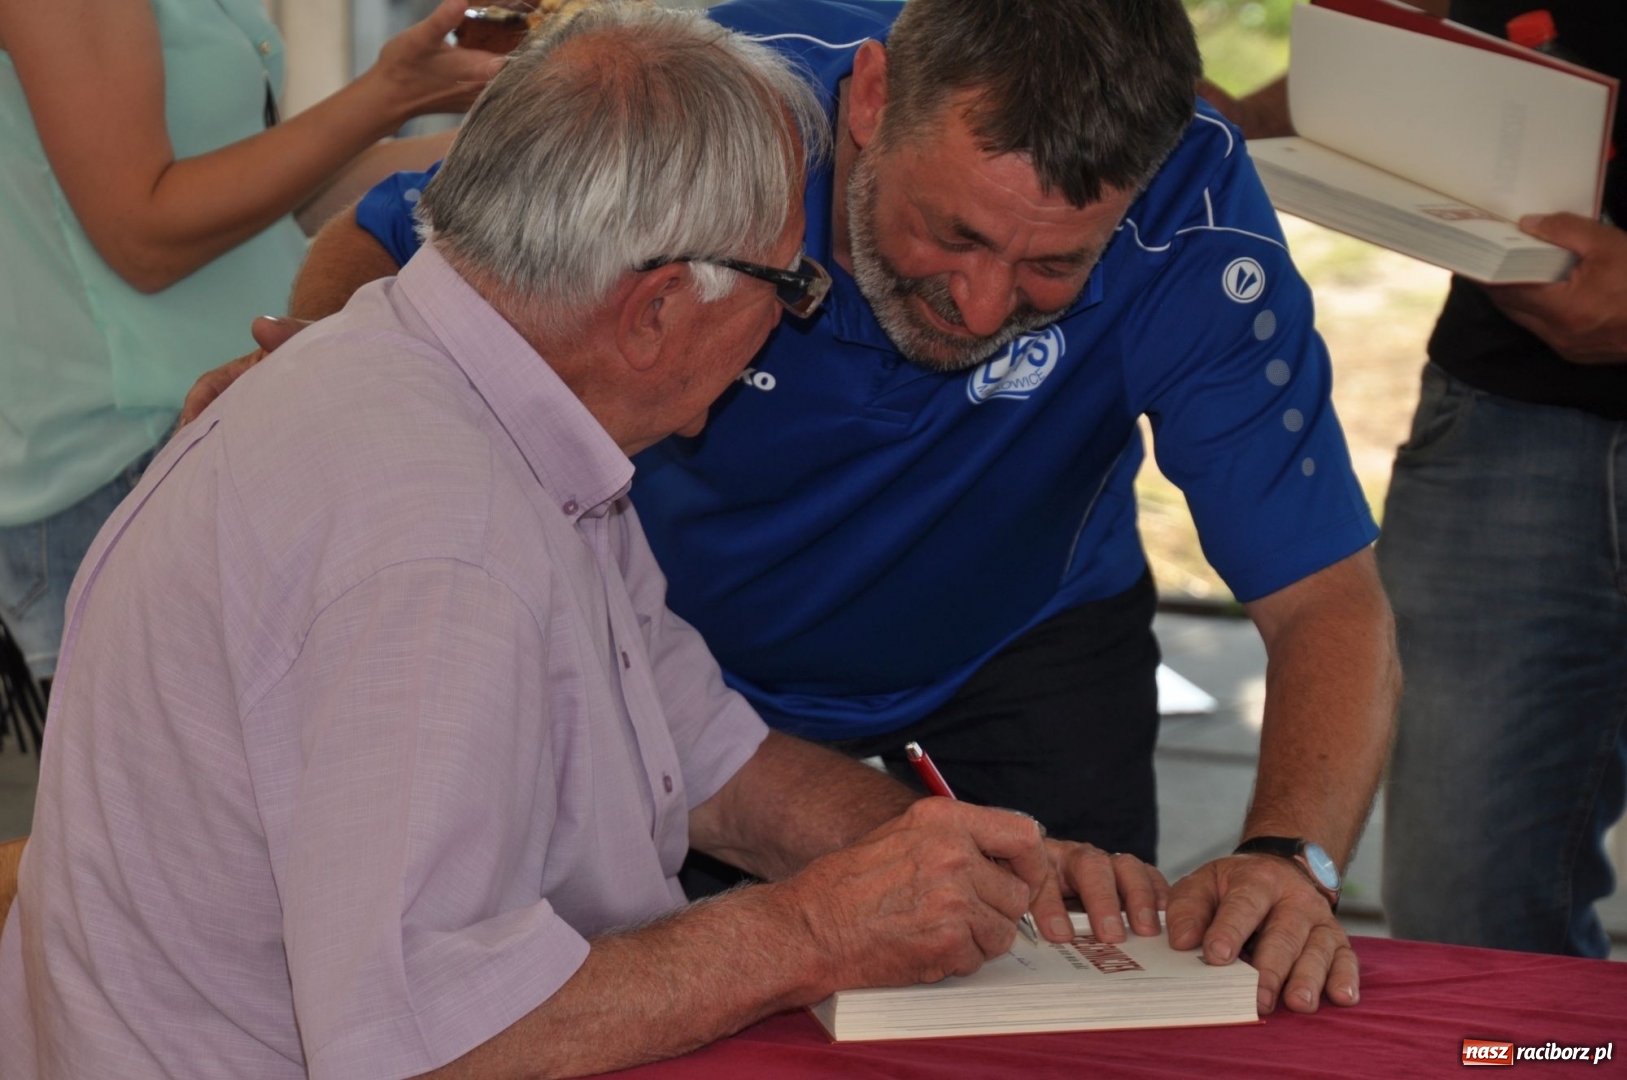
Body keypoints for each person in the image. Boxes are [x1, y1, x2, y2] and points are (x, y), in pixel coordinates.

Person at [0, 9, 1169, 1078]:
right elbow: (429, 1044)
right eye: (790, 278)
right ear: (657, 308)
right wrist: (813, 930)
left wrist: (972, 865)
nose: (806, 305)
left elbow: (698, 752)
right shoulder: (435, 543)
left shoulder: (482, 395)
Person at [187, 0, 1400, 1014]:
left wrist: (1289, 855)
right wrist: (334, 386)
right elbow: (397, 239)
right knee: (638, 1007)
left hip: (1018, 644)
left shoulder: (1194, 219)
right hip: (677, 653)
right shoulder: (713, 102)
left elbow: (1325, 601)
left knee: (1055, 1015)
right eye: (949, 232)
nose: (981, 310)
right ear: (869, 102)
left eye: (1051, 269)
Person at [1203, 1, 1627, 960]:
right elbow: (1469, 25)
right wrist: (1272, 116)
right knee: (1463, 918)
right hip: (1509, 407)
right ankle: (1524, 1062)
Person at [0, 0, 501, 700]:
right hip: (130, 452)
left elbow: (282, 196)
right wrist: (390, 95)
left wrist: (525, 135)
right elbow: (142, 237)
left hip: (228, 417)